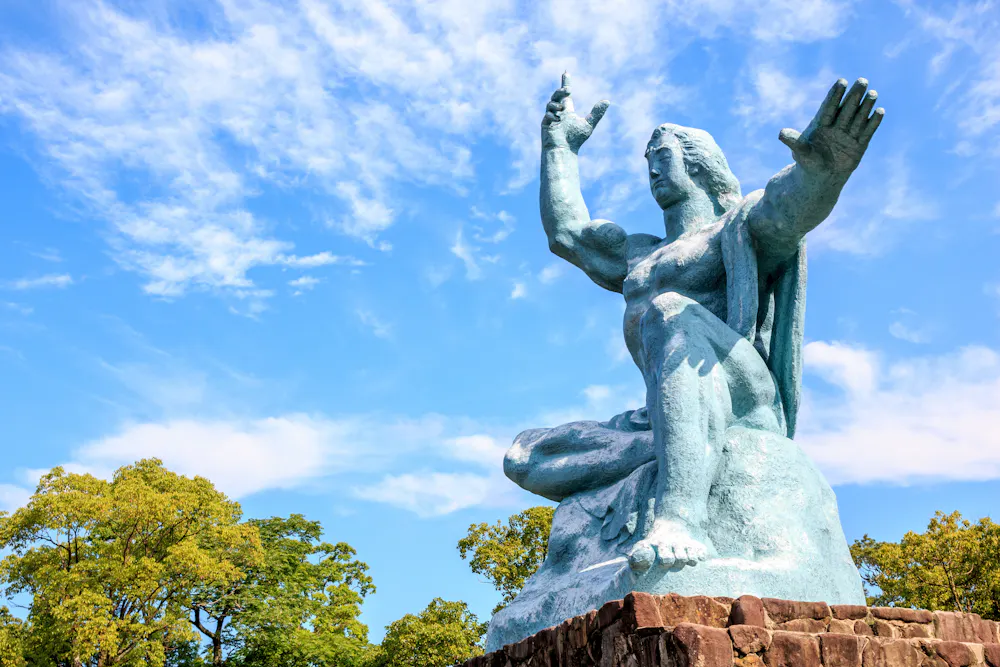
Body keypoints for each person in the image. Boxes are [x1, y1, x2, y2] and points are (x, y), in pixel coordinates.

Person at [512, 72, 884, 573]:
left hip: (738, 388)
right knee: (528, 456)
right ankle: (668, 439)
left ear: (697, 162)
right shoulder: (638, 254)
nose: (652, 169)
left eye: (661, 156)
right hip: (661, 408)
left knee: (671, 311)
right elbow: (570, 235)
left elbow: (788, 206)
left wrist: (824, 171)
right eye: (647, 161)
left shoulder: (737, 225)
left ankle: (681, 517)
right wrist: (558, 147)